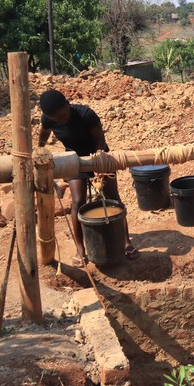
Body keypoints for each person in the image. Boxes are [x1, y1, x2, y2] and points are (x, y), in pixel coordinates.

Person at [37, 89, 139, 266]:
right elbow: (43, 136)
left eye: (62, 116)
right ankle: (80, 249)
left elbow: (100, 139)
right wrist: (39, 150)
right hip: (73, 160)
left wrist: (98, 167)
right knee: (77, 201)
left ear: (68, 105)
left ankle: (126, 242)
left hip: (99, 156)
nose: (60, 121)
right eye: (56, 119)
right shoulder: (47, 119)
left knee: (113, 197)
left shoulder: (86, 114)